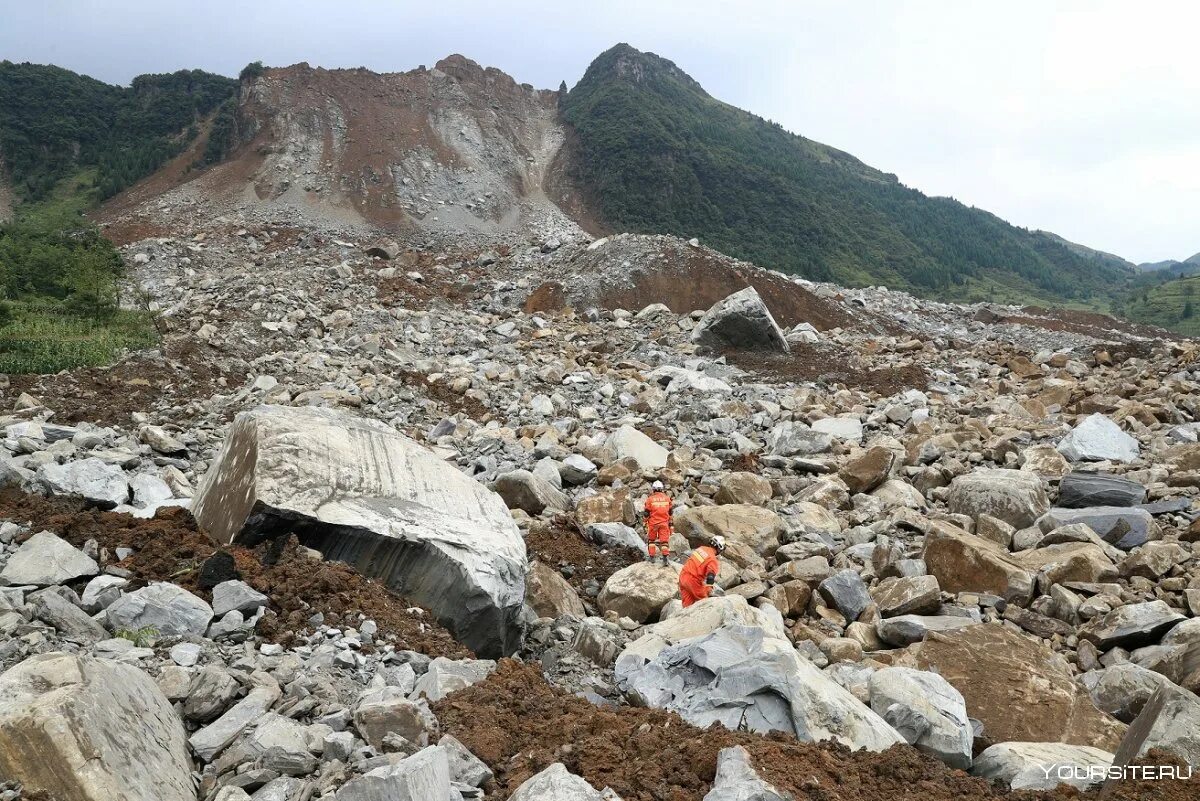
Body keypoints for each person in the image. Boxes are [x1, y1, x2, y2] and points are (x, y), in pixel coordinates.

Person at [679, 536, 725, 607]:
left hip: (683, 576)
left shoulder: (701, 549)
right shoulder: (712, 559)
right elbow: (710, 576)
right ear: (719, 548)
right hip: (693, 582)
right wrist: (709, 589)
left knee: (687, 606)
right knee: (706, 604)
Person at [643, 480, 673, 565]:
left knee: (651, 540)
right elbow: (670, 512)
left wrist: (644, 522)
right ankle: (665, 559)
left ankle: (652, 558)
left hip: (653, 524)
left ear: (653, 489)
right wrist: (671, 523)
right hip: (664, 523)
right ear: (662, 489)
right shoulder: (667, 498)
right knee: (664, 542)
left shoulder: (650, 499)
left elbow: (646, 513)